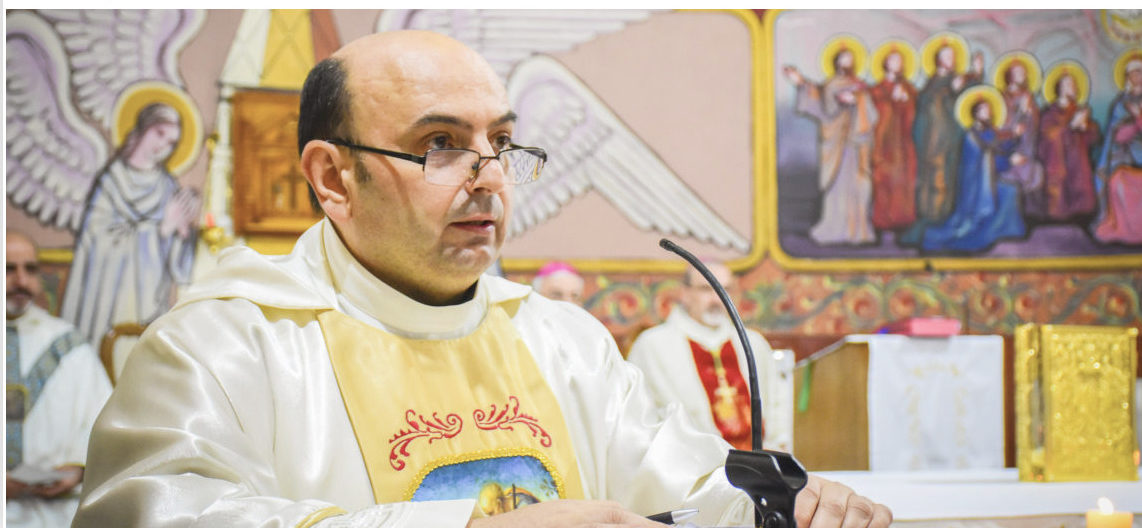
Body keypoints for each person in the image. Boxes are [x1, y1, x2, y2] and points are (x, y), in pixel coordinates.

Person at [73, 31, 891, 528]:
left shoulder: (562, 341)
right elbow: (157, 512)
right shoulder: (224, 344)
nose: (490, 177)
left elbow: (688, 482)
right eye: (439, 145)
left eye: (500, 143)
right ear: (332, 177)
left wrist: (788, 506)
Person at [59, 102, 200, 345]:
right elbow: (97, 238)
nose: (163, 147)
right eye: (160, 134)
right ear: (143, 129)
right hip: (106, 297)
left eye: (171, 143)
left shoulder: (167, 186)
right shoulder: (112, 181)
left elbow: (179, 267)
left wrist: (182, 233)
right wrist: (161, 230)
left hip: (148, 299)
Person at [6, 230, 113, 528]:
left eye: (30, 269)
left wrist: (78, 468)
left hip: (55, 512)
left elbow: (103, 419)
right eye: (8, 269)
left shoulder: (68, 344)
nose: (21, 281)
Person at [627, 262, 787, 453]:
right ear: (685, 293)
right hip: (690, 463)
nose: (717, 299)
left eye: (724, 289)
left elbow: (778, 405)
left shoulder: (753, 343)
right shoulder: (653, 346)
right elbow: (640, 417)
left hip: (756, 461)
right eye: (706, 289)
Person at [782, 40, 877, 245]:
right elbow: (822, 106)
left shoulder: (860, 85)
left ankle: (859, 231)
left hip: (856, 145)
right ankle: (835, 229)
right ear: (836, 62)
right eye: (843, 58)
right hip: (837, 146)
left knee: (860, 185)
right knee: (838, 187)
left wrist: (857, 100)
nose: (847, 62)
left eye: (849, 58)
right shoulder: (831, 85)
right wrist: (802, 83)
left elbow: (870, 114)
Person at [919, 89, 1027, 252]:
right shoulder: (971, 136)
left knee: (1012, 189)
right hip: (974, 190)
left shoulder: (989, 131)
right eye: (984, 110)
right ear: (975, 114)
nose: (988, 113)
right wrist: (1009, 161)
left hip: (988, 180)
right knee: (1008, 191)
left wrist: (1016, 136)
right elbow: (984, 160)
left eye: (989, 110)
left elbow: (999, 146)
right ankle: (988, 229)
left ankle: (1004, 231)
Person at [908, 39, 983, 231]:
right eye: (947, 56)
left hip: (953, 136)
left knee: (952, 175)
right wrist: (950, 90)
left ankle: (946, 214)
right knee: (935, 176)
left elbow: (972, 99)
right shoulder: (932, 83)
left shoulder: (959, 80)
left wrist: (977, 74)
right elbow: (927, 102)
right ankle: (932, 215)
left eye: (952, 56)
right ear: (937, 60)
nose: (951, 60)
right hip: (934, 138)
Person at [1037, 65, 1100, 223]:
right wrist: (1070, 127)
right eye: (1069, 84)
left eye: (1074, 84)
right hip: (1057, 160)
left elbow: (1094, 137)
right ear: (1060, 88)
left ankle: (1081, 215)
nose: (1073, 87)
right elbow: (1047, 137)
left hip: (1078, 158)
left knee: (1082, 177)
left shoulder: (1077, 110)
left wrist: (1085, 127)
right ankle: (1058, 216)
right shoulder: (1050, 113)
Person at [868, 42, 918, 232]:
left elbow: (915, 115)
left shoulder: (909, 89)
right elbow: (874, 114)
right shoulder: (877, 90)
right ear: (885, 64)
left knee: (903, 183)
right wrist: (891, 103)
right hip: (885, 145)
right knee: (883, 181)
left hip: (904, 146)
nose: (897, 64)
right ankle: (881, 222)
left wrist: (906, 102)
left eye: (900, 61)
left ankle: (902, 222)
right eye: (893, 61)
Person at [1093, 54, 1142, 244]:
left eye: (1140, 72)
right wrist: (1136, 123)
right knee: (1117, 181)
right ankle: (1128, 230)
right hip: (1125, 158)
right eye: (1133, 73)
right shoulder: (1121, 103)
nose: (1137, 76)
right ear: (1127, 77)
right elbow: (1117, 136)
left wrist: (1138, 119)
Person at [995, 55, 1046, 220]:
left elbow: (1034, 126)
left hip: (1027, 147)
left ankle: (1030, 215)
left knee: (1036, 171)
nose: (1023, 75)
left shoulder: (1028, 96)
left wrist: (1029, 114)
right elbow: (1002, 127)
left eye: (1024, 72)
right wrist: (1021, 114)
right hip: (1007, 149)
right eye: (1018, 72)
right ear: (1009, 75)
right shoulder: (1002, 98)